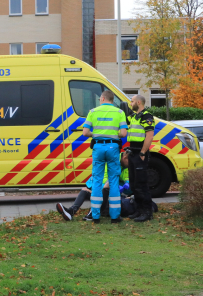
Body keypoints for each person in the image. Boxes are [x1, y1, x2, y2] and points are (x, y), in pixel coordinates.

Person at [82, 91, 128, 223]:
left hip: (98, 148)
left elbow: (85, 132)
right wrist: (112, 135)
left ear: (102, 98)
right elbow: (123, 133)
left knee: (97, 180)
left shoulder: (93, 112)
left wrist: (96, 134)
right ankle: (115, 217)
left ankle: (95, 216)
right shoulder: (119, 113)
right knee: (113, 180)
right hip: (113, 148)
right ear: (112, 100)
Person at [57, 151, 130, 221]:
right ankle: (71, 211)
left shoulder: (124, 165)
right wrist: (115, 187)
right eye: (130, 162)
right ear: (125, 158)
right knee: (86, 190)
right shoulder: (111, 162)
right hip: (100, 187)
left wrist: (127, 182)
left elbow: (126, 176)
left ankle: (90, 215)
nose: (131, 164)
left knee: (97, 192)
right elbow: (104, 181)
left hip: (105, 194)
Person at [127, 95, 156, 222]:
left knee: (141, 184)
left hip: (140, 153)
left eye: (132, 101)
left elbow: (149, 136)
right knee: (133, 184)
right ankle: (138, 210)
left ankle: (147, 212)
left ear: (138, 102)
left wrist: (143, 152)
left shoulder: (147, 116)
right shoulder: (133, 117)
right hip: (132, 152)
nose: (130, 103)